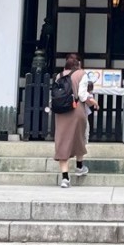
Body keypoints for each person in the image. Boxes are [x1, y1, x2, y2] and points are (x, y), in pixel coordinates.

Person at [52, 52, 97, 188]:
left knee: (62, 140)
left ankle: (65, 178)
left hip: (61, 112)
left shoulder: (58, 76)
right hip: (75, 109)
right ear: (79, 64)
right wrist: (93, 102)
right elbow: (83, 95)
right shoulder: (81, 74)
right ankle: (79, 167)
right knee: (79, 137)